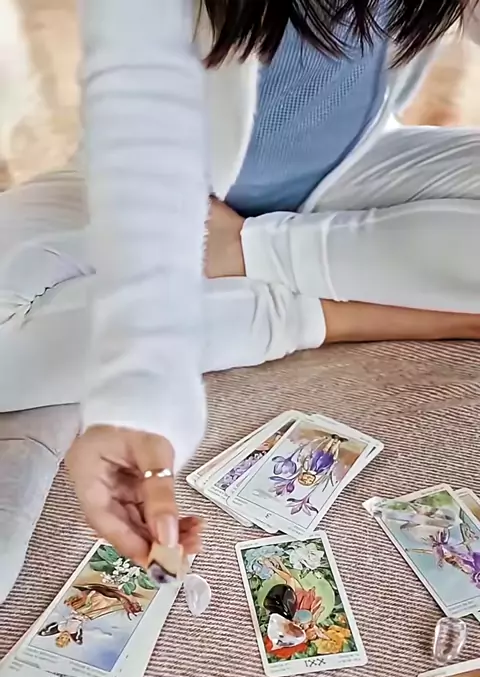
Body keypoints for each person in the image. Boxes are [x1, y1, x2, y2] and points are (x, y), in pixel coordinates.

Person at [1, 0, 480, 597]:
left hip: (350, 172)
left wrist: (252, 249)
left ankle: (255, 259)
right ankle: (340, 313)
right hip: (163, 187)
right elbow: (141, 126)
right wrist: (143, 395)